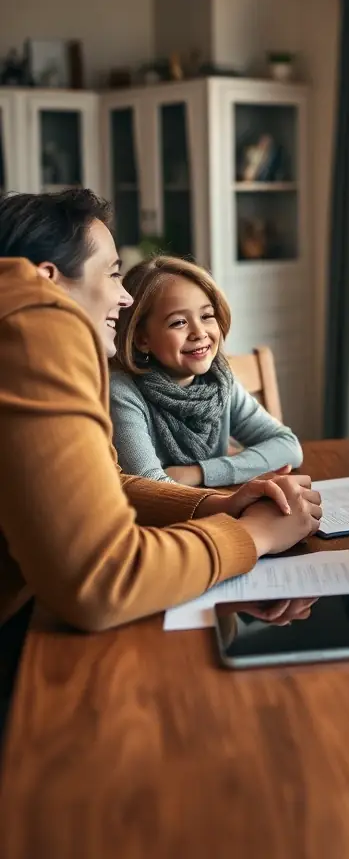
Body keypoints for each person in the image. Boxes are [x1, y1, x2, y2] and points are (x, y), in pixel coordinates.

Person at [0, 189, 322, 643]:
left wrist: (219, 505)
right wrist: (254, 536)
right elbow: (102, 581)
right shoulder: (34, 326)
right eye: (112, 274)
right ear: (47, 281)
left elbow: (112, 482)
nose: (124, 298)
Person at [110, 255, 301, 486]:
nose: (199, 332)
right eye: (178, 322)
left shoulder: (220, 382)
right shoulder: (123, 392)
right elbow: (151, 486)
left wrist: (200, 473)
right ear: (142, 339)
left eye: (207, 316)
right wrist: (249, 465)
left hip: (219, 502)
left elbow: (288, 446)